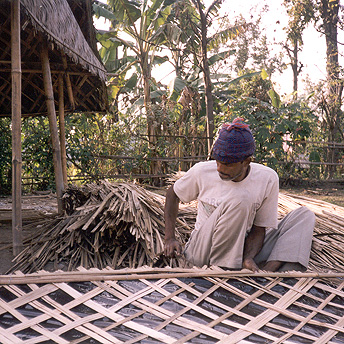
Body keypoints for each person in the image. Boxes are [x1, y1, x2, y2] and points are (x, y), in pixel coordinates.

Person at [164, 118, 316, 272]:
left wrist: (248, 257)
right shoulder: (202, 171)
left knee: (304, 215)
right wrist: (169, 238)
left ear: (246, 162)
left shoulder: (267, 178)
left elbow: (259, 229)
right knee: (241, 198)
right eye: (218, 161)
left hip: (242, 247)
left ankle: (268, 271)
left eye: (228, 164)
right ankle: (223, 270)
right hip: (203, 250)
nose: (219, 168)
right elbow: (172, 195)